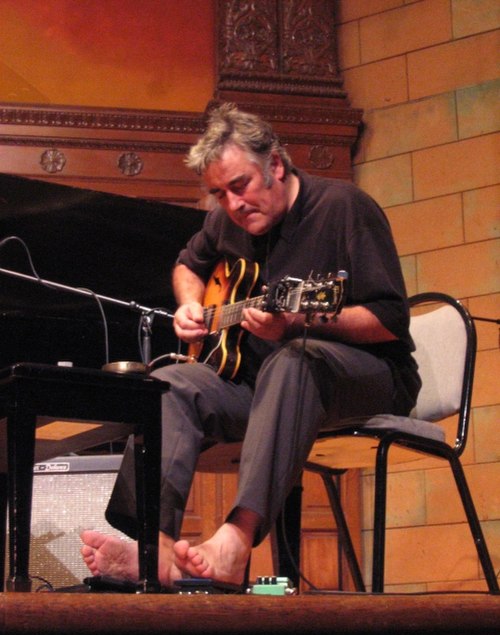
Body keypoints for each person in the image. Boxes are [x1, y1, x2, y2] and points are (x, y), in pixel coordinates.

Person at [81, 103, 421, 587]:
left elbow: (389, 321)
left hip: (370, 377)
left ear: (276, 166)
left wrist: (300, 321)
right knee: (167, 383)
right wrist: (190, 305)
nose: (233, 205)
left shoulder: (343, 208)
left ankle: (235, 542)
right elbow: (187, 265)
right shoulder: (228, 223)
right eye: (219, 194)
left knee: (293, 361)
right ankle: (150, 547)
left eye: (239, 186)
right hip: (266, 389)